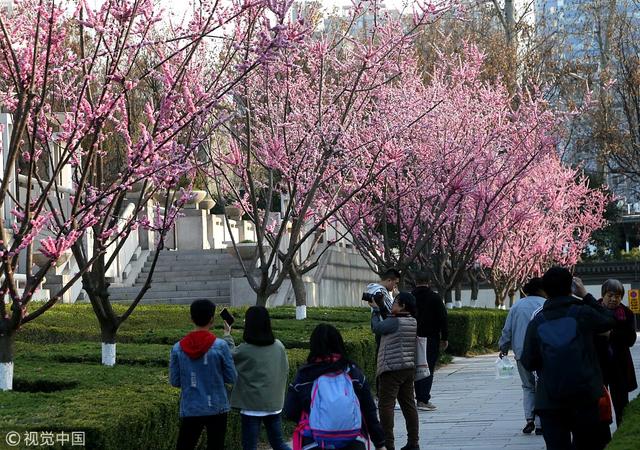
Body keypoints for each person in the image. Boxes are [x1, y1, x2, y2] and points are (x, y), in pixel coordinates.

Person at [520, 267, 615, 450]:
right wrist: (586, 295)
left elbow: (528, 361)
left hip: (550, 399)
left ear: (546, 291)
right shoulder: (583, 313)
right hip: (585, 396)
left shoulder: (538, 322)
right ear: (571, 288)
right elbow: (609, 320)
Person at [284, 323, 387, 450]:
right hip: (352, 441)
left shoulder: (305, 375)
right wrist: (380, 442)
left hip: (314, 441)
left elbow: (289, 411)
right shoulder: (352, 372)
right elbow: (369, 411)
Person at [169, 299, 236, 450]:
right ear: (212, 319)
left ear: (191, 318)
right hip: (217, 405)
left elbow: (175, 381)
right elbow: (232, 377)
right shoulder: (220, 346)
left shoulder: (177, 348)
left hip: (191, 406)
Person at [222, 306, 291, 450]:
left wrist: (227, 335)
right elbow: (285, 370)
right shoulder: (278, 346)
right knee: (278, 443)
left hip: (251, 407)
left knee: (250, 446)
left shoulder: (245, 349)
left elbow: (228, 357)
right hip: (274, 404)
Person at [372, 292, 420, 450]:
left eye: (395, 302)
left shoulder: (395, 321)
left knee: (386, 406)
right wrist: (382, 306)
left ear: (403, 305)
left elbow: (377, 328)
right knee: (409, 405)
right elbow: (390, 322)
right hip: (407, 368)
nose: (392, 304)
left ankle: (388, 444)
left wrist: (375, 310)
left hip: (391, 369)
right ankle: (413, 443)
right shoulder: (412, 320)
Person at [498, 277, 546, 434]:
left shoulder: (517, 306)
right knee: (542, 386)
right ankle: (540, 423)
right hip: (542, 353)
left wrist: (503, 347)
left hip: (521, 353)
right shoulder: (545, 304)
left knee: (527, 386)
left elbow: (507, 330)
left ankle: (529, 419)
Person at [594, 279, 637, 426]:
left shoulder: (627, 313)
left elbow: (630, 339)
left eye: (617, 296)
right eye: (610, 295)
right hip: (599, 366)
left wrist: (610, 334)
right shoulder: (593, 310)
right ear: (603, 295)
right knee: (600, 407)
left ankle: (621, 434)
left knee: (622, 406)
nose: (613, 299)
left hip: (620, 366)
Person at [412, 271, 448, 412]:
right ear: (429, 282)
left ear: (415, 281)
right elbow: (443, 318)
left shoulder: (410, 297)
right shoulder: (435, 298)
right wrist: (444, 337)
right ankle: (423, 399)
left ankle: (418, 397)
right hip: (431, 338)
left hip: (412, 337)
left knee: (416, 367)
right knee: (428, 368)